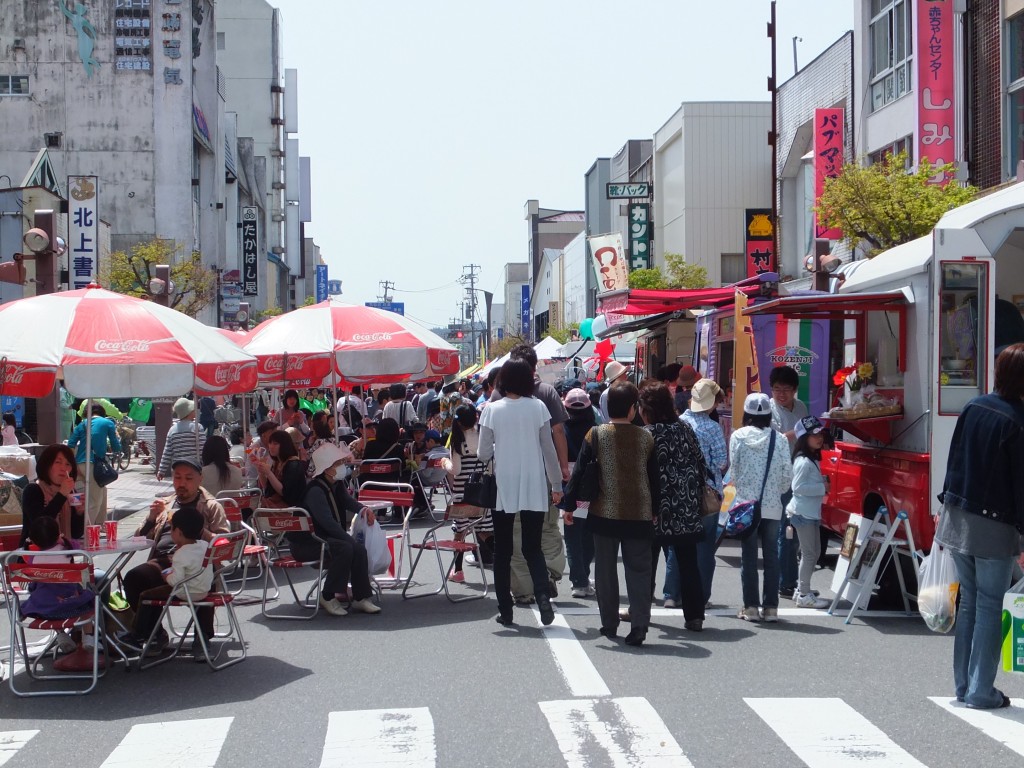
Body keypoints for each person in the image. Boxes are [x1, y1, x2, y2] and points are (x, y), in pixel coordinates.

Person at [933, 343, 1024, 709]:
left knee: (970, 604)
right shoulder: (1018, 420)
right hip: (994, 526)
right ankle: (981, 690)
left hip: (957, 518)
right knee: (988, 604)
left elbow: (955, 460)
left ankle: (964, 686)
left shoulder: (974, 406)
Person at [565, 382, 659, 646]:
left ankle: (609, 623)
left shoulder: (595, 434)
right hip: (639, 514)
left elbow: (579, 473)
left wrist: (569, 506)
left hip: (603, 514)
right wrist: (655, 510)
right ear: (633, 409)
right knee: (639, 570)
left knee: (605, 570)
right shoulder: (646, 437)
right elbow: (654, 479)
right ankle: (639, 624)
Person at [477, 359, 563, 628]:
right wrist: (557, 486)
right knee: (532, 547)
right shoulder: (538, 407)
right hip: (534, 484)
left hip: (504, 486)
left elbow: (483, 453)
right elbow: (549, 450)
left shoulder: (492, 410)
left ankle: (506, 610)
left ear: (502, 381)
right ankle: (543, 598)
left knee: (503, 551)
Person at [120, 458, 229, 652]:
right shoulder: (166, 504)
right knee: (135, 577)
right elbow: (138, 538)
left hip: (199, 561)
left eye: (188, 478)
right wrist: (152, 518)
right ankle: (154, 633)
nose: (182, 483)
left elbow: (224, 544)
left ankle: (202, 637)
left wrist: (199, 527)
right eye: (177, 477)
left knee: (203, 577)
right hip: (164, 560)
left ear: (199, 480)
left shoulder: (210, 506)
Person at [639, 382, 707, 630]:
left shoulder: (647, 433)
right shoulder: (685, 428)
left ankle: (641, 610)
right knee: (688, 562)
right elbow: (701, 463)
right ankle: (695, 616)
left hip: (655, 507)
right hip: (686, 505)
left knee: (646, 560)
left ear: (647, 408)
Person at [290, 443, 382, 617]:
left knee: (357, 549)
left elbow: (347, 501)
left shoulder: (335, 484)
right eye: (337, 463)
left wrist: (363, 509)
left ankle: (361, 597)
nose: (342, 466)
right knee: (347, 547)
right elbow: (327, 522)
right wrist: (348, 539)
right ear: (327, 468)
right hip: (307, 544)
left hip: (323, 539)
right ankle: (327, 595)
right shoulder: (315, 490)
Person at [730, 393, 793, 622]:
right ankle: (771, 608)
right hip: (772, 506)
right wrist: (775, 491)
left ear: (747, 414)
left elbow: (733, 471)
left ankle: (751, 608)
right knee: (771, 556)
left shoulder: (737, 436)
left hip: (746, 506)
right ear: (768, 415)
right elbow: (787, 475)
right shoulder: (780, 439)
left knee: (748, 557)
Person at [131, 506, 213, 653]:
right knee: (136, 577)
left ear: (178, 532)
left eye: (172, 529)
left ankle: (138, 634)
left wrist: (167, 575)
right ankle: (153, 634)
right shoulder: (205, 545)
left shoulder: (180, 554)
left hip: (185, 591)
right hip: (203, 589)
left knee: (146, 596)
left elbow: (176, 581)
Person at [682, 378, 729, 606]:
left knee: (679, 546)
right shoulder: (712, 427)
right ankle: (701, 597)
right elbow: (721, 462)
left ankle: (673, 595)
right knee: (704, 548)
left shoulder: (679, 422)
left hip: (681, 491)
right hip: (708, 493)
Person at [769, 365, 810, 599]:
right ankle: (785, 582)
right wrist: (797, 432)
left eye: (786, 389)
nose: (781, 394)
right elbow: (772, 440)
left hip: (800, 474)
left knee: (795, 529)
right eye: (776, 389)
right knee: (785, 530)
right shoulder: (770, 409)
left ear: (795, 390)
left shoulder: (801, 406)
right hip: (780, 477)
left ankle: (790, 579)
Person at [785, 416, 831, 609]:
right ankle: (804, 593)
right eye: (813, 434)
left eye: (820, 433)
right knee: (810, 554)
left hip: (808, 513)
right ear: (804, 438)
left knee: (813, 553)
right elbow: (798, 487)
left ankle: (802, 589)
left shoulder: (809, 458)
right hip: (803, 514)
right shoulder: (804, 461)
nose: (818, 437)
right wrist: (823, 487)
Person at [448, 406, 493, 581]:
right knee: (485, 531)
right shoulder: (483, 437)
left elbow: (456, 470)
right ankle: (507, 565)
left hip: (462, 494)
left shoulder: (457, 440)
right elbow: (490, 465)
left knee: (460, 532)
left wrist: (444, 462)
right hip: (482, 493)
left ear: (458, 422)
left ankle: (458, 571)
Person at [561, 388, 596, 599]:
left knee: (572, 535)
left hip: (568, 488)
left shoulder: (561, 429)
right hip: (590, 488)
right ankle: (583, 576)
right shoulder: (596, 429)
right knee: (588, 533)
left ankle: (579, 581)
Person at [20, 444, 84, 547]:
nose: (63, 468)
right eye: (58, 462)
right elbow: (40, 526)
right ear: (47, 465)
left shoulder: (70, 493)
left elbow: (76, 534)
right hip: (33, 556)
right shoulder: (33, 490)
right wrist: (61, 494)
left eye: (68, 464)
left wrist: (79, 513)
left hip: (64, 556)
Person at [67, 404, 121, 525]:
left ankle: (100, 523)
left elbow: (71, 444)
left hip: (78, 464)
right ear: (102, 413)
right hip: (92, 464)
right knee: (94, 501)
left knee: (102, 491)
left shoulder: (82, 424)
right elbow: (116, 445)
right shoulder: (107, 423)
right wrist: (118, 448)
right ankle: (87, 530)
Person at [156, 397, 205, 482]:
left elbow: (167, 452)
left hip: (178, 469)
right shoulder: (197, 427)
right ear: (189, 412)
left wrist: (161, 470)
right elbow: (202, 449)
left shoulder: (172, 430)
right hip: (194, 468)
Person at [256, 429, 308, 508]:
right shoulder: (277, 462)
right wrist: (260, 471)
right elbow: (268, 489)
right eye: (270, 443)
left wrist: (269, 473)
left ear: (284, 445)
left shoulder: (293, 464)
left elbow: (284, 492)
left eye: (275, 443)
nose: (271, 446)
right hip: (277, 506)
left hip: (291, 510)